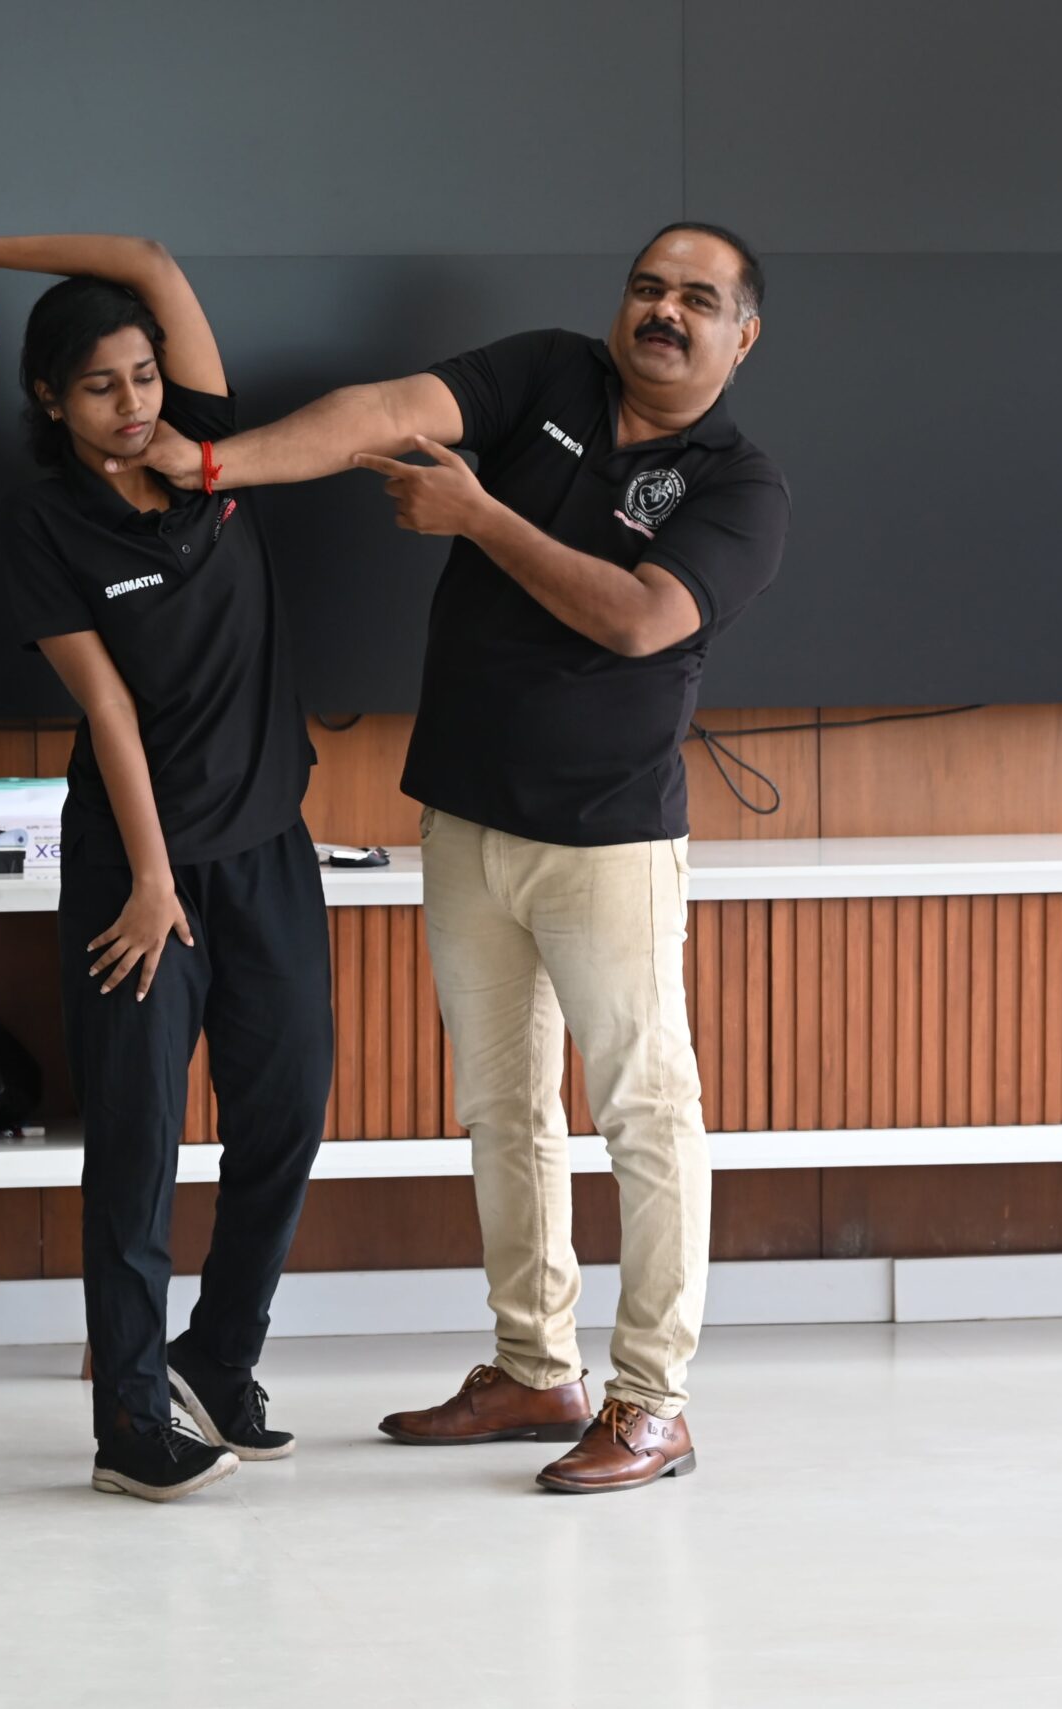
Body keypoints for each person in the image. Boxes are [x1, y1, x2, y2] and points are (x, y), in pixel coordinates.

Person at [106, 222, 789, 1494]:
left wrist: (479, 517)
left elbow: (641, 618)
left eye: (697, 299)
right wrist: (206, 463)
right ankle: (535, 1367)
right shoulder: (549, 372)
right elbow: (378, 412)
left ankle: (653, 1401)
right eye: (647, 286)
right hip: (468, 818)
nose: (662, 311)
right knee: (501, 1108)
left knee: (644, 1113)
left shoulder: (740, 487)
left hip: (608, 841)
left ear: (740, 335)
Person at [0, 234, 331, 1503]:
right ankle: (127, 1423)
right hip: (135, 868)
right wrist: (154, 882)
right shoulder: (41, 522)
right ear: (50, 399)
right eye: (101, 385)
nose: (133, 403)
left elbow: (153, 263)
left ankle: (217, 1358)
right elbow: (107, 709)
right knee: (137, 1139)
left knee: (286, 1114)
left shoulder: (207, 443)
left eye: (144, 375)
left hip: (267, 848)